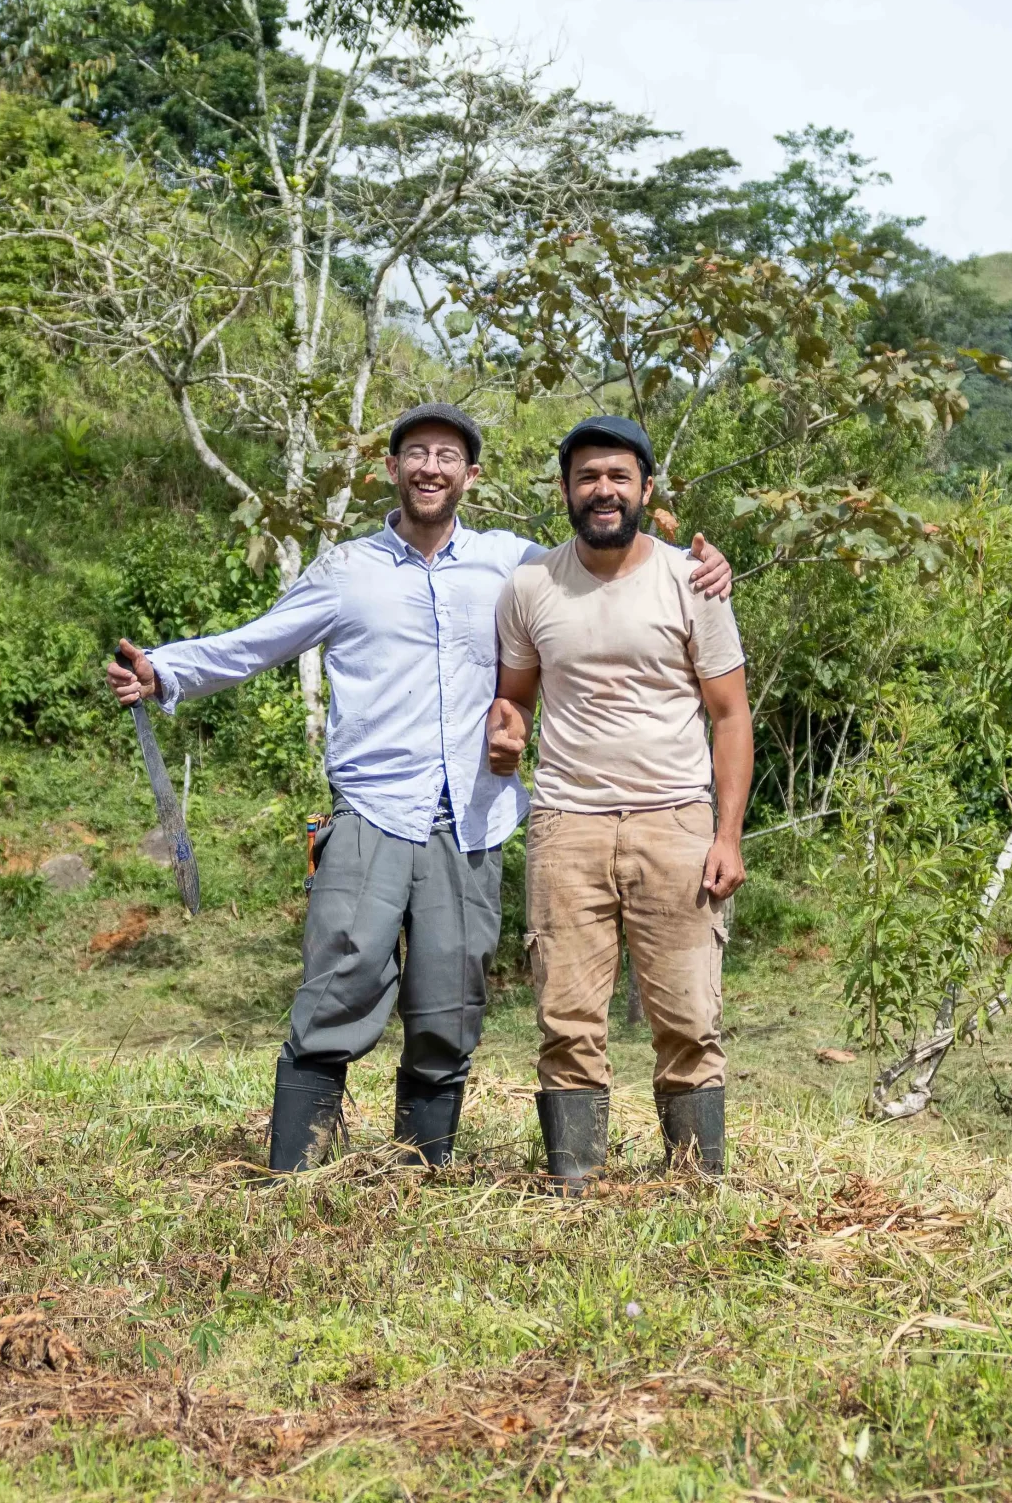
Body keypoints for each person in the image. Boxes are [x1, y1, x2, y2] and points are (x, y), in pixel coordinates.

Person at [105, 404, 733, 1173]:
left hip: (469, 818)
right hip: (373, 809)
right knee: (341, 981)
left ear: (472, 476)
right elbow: (258, 642)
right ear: (393, 470)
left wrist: (704, 564)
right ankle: (300, 1171)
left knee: (450, 1007)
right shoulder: (346, 570)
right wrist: (165, 668)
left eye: (448, 456)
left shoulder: (516, 562)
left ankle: (419, 1171)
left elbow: (605, 559)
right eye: (416, 454)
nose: (431, 467)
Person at [488, 415, 752, 1190]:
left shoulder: (691, 581)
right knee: (566, 1017)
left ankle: (694, 1183)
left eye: (618, 476)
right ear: (566, 490)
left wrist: (727, 835)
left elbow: (730, 714)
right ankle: (576, 1182)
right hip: (566, 823)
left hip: (674, 820)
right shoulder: (531, 585)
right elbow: (516, 700)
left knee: (689, 1017)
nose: (603, 490)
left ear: (645, 488)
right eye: (587, 477)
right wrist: (506, 734)